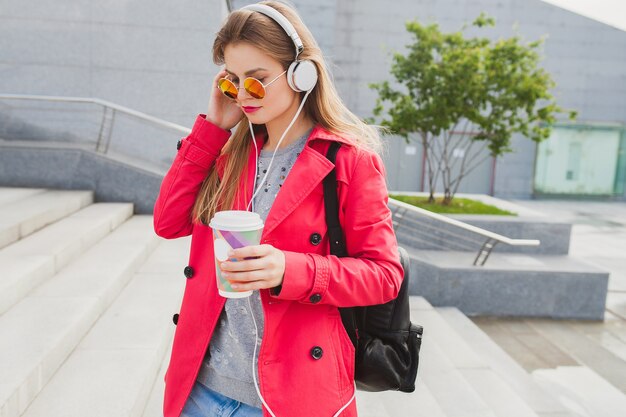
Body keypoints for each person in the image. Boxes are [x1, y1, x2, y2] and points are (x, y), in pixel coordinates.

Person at [153, 2, 403, 416]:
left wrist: (290, 269)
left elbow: (384, 275)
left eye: (258, 80)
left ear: (301, 72)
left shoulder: (348, 160)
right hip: (202, 389)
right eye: (233, 82)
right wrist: (213, 128)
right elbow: (167, 222)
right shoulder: (231, 153)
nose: (244, 95)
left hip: (290, 397)